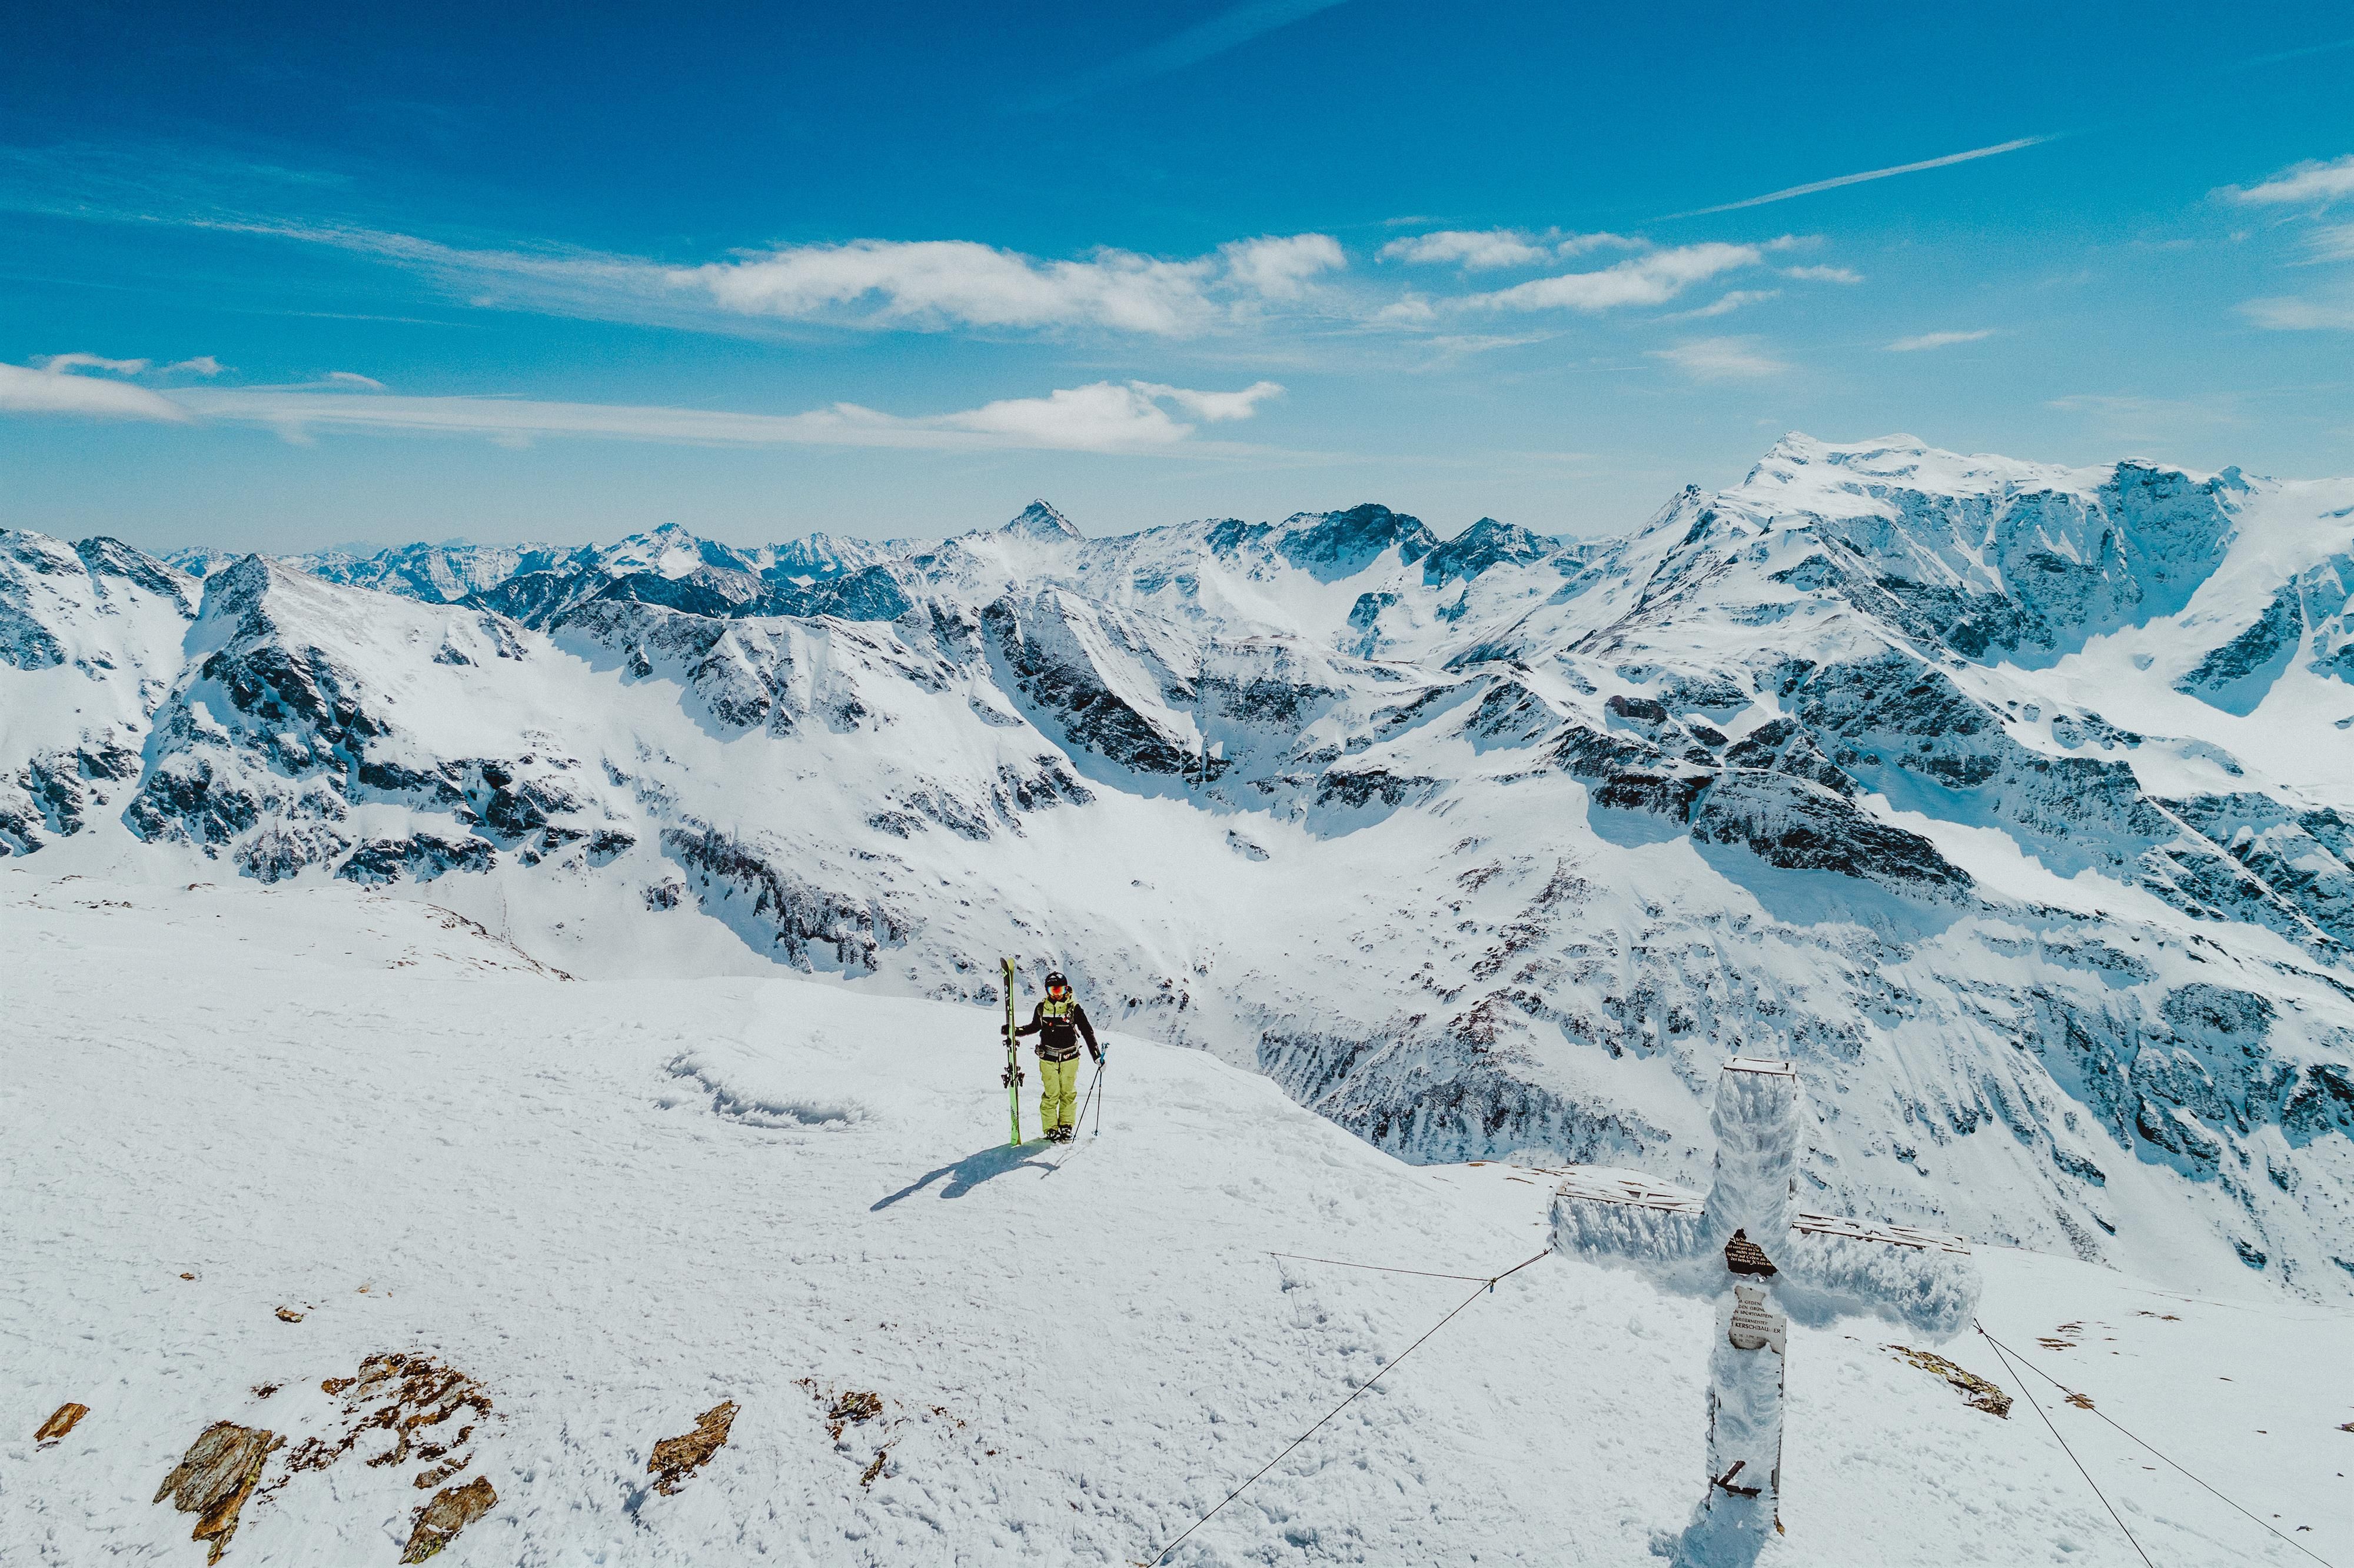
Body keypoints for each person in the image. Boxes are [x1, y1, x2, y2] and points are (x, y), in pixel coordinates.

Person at [1016, 970, 1100, 1143]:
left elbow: (1087, 1031)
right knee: (1051, 1094)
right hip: (1048, 1058)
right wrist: (1016, 1031)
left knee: (1068, 1093)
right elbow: (1034, 1027)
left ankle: (1066, 1126)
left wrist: (1096, 1055)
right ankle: (1051, 1129)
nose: (1056, 994)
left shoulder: (1074, 1008)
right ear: (1047, 990)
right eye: (1053, 990)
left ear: (1066, 989)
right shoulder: (1042, 1008)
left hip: (1070, 1058)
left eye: (1059, 990)